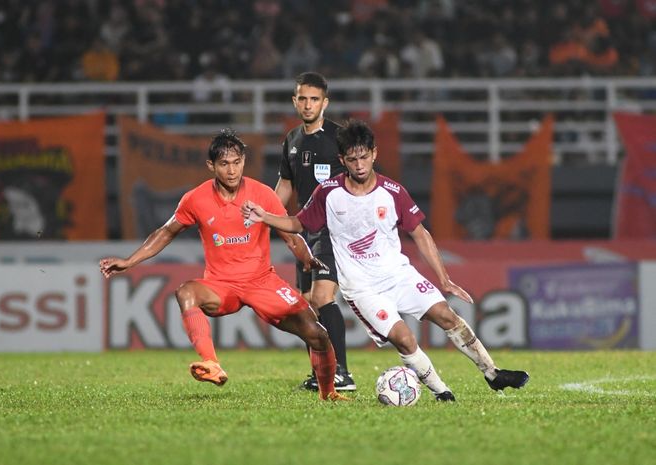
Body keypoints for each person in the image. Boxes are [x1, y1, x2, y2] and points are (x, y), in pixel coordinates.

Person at [243, 120, 530, 401]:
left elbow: (420, 233)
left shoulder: (392, 192)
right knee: (404, 338)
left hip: (398, 275)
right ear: (342, 159)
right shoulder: (328, 193)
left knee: (446, 315)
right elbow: (299, 222)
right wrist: (264, 216)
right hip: (362, 287)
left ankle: (493, 374)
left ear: (374, 154)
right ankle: (442, 392)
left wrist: (444, 279)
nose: (359, 165)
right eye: (352, 159)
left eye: (364, 157)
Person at [100, 128, 347, 402]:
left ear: (244, 161)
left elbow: (291, 236)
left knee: (318, 334)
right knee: (186, 292)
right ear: (211, 165)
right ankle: (211, 363)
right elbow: (166, 231)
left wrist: (306, 258)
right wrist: (130, 261)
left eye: (237, 162)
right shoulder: (195, 199)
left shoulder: (263, 195)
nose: (232, 171)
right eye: (224, 164)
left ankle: (329, 394)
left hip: (262, 282)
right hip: (222, 286)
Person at [276, 71, 355, 391]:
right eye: (302, 99)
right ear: (295, 101)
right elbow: (285, 185)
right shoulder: (292, 140)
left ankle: (343, 373)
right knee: (307, 302)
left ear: (325, 102)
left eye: (314, 99)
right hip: (302, 232)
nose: (308, 105)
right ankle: (322, 373)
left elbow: (362, 177)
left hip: (332, 230)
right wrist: (264, 214)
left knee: (322, 296)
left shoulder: (340, 138)